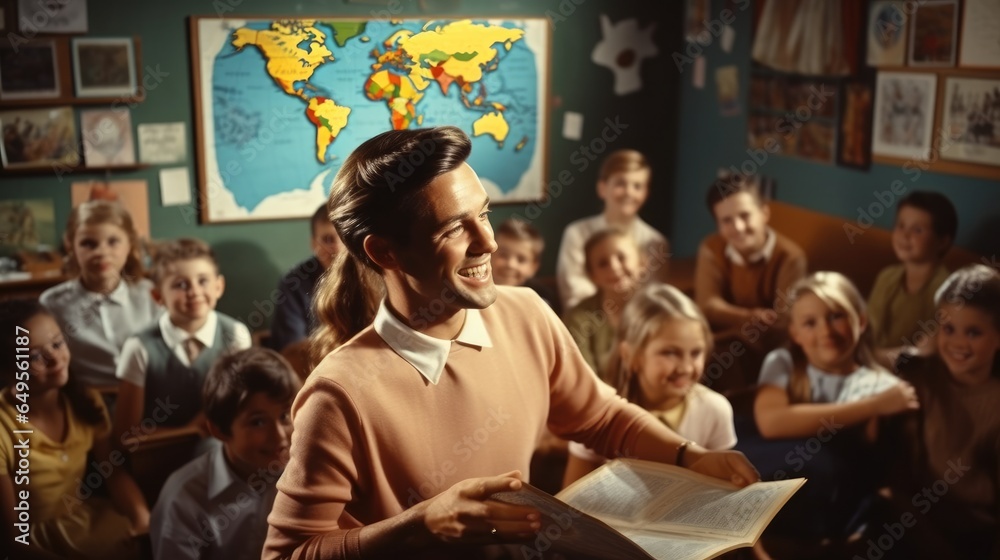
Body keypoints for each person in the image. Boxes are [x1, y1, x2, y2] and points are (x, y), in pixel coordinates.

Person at [263, 126, 757, 560]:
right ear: (384, 251)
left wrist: (688, 456)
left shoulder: (525, 313)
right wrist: (418, 527)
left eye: (485, 214)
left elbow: (600, 417)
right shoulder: (338, 394)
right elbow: (289, 554)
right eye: (456, 227)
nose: (489, 241)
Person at [740, 271, 919, 547]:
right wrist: (872, 406)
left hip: (818, 494)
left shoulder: (881, 384)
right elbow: (771, 422)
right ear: (795, 334)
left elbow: (869, 458)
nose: (826, 331)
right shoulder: (783, 362)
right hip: (763, 465)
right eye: (810, 323)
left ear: (860, 321)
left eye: (836, 316)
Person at [0, 299, 149, 559]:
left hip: (85, 520)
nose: (55, 358)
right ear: (7, 371)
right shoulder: (4, 428)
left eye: (57, 343)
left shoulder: (86, 400)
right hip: (35, 543)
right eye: (34, 356)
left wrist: (141, 517)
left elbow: (112, 471)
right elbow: (12, 540)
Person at [562, 283, 737, 487]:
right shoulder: (599, 416)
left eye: (696, 353)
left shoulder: (715, 410)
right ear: (630, 355)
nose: (687, 368)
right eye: (670, 353)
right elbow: (571, 501)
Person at [880, 264, 1000, 559]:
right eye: (948, 329)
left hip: (973, 530)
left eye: (973, 332)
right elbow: (864, 360)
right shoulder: (921, 373)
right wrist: (920, 350)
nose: (958, 342)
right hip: (912, 513)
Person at [150, 347, 302, 560]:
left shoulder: (305, 472)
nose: (279, 436)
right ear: (219, 431)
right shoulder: (184, 499)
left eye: (285, 416)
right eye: (257, 422)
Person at [114, 238, 252, 444]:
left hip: (222, 449)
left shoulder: (235, 335)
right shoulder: (139, 347)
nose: (194, 292)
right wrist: (189, 431)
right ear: (157, 296)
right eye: (180, 284)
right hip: (156, 454)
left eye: (203, 281)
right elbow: (126, 433)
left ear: (219, 286)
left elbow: (241, 409)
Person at [694, 173, 807, 390]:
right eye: (726, 220)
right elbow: (707, 306)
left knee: (723, 361)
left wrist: (730, 318)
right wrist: (750, 317)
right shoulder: (711, 248)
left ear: (764, 213)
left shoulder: (790, 257)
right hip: (717, 341)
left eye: (745, 216)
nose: (737, 227)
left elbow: (783, 321)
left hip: (764, 348)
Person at [40, 200, 161, 390]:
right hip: (84, 402)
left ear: (129, 244)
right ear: (70, 245)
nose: (102, 252)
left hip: (147, 397)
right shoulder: (52, 303)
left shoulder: (150, 294)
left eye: (113, 242)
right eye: (89, 244)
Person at [555, 149, 669, 311]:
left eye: (637, 186)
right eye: (620, 184)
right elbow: (574, 290)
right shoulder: (577, 233)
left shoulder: (656, 242)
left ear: (646, 193)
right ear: (602, 188)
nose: (629, 192)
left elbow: (652, 295)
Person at [867, 191, 957, 365]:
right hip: (872, 365)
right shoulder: (886, 276)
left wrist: (871, 358)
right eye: (900, 225)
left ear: (942, 242)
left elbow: (925, 352)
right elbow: (869, 329)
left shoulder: (947, 291)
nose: (904, 235)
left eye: (917, 230)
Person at [563, 229, 643, 378]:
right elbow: (586, 379)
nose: (614, 266)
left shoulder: (661, 311)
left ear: (642, 262)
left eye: (621, 257)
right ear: (592, 275)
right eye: (602, 263)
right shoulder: (579, 319)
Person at [269, 204, 346, 353]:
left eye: (344, 237)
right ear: (313, 244)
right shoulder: (294, 282)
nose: (337, 248)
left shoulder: (375, 276)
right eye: (328, 239)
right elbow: (293, 349)